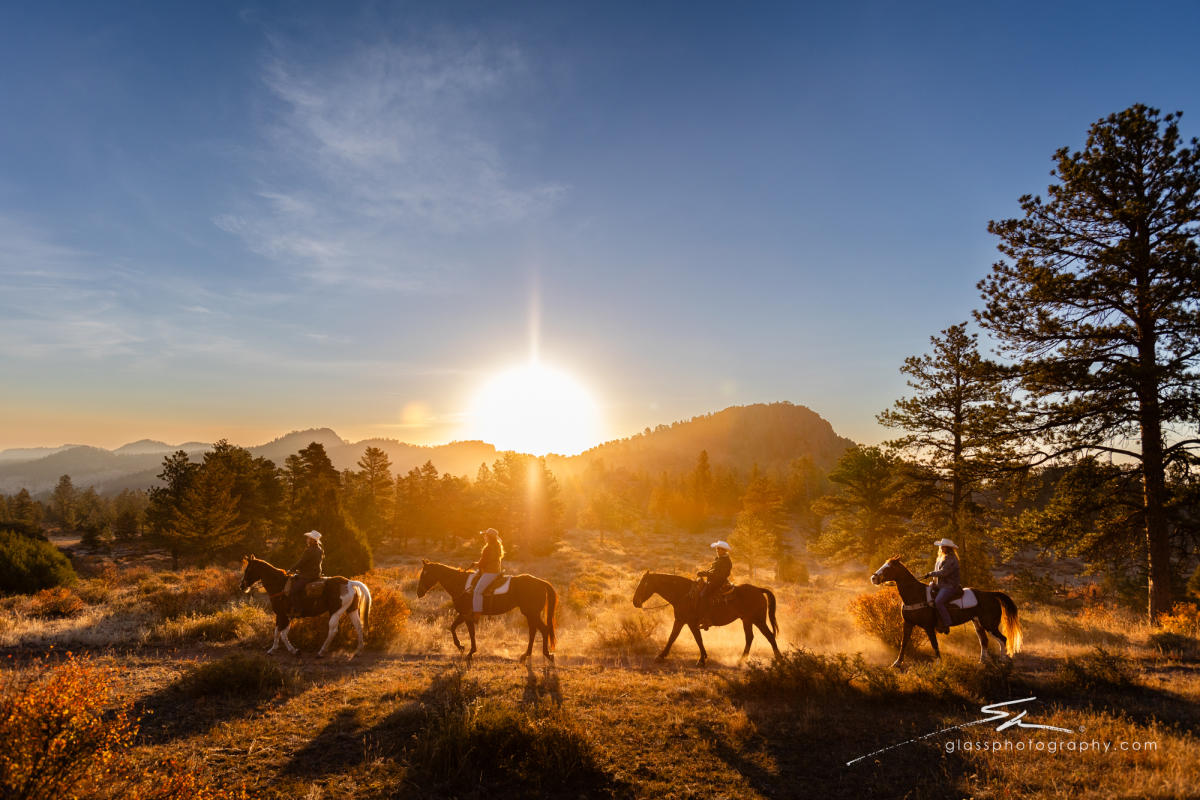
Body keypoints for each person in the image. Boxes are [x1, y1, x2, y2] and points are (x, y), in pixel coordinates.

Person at [923, 538, 961, 634]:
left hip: (950, 586)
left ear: (949, 548)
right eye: (941, 546)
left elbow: (944, 573)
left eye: (944, 546)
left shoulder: (951, 558)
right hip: (941, 585)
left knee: (938, 601)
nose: (942, 548)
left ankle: (947, 623)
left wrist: (931, 573)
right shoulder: (942, 557)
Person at [465, 527, 504, 620]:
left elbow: (482, 563)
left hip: (490, 572)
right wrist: (477, 564)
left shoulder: (488, 548)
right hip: (496, 571)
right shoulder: (497, 547)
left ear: (489, 537)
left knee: (477, 591)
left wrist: (475, 564)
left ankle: (477, 614)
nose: (484, 537)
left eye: (485, 535)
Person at [696, 540, 733, 629]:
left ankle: (707, 619)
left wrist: (705, 574)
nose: (717, 551)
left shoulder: (726, 561)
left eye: (719, 550)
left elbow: (720, 574)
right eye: (717, 550)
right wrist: (704, 572)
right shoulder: (719, 559)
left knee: (703, 596)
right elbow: (711, 570)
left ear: (724, 551)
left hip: (718, 582)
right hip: (713, 581)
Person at [288, 530, 324, 611]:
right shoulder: (320, 549)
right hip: (316, 574)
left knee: (293, 591)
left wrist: (291, 570)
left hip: (308, 575)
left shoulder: (309, 550)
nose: (307, 539)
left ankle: (299, 609)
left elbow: (301, 562)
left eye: (308, 538)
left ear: (312, 540)